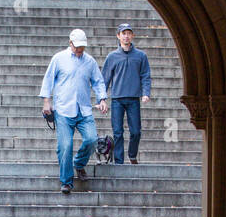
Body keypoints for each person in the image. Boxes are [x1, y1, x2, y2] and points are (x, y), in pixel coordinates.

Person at [40, 29, 108, 194]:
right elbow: (48, 79)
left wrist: (102, 99)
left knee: (92, 139)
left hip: (84, 109)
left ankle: (79, 163)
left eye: (82, 47)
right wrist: (46, 101)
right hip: (63, 109)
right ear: (70, 43)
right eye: (77, 47)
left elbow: (98, 81)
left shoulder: (89, 61)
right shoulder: (59, 58)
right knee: (65, 145)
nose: (80, 50)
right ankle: (66, 181)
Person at [101, 22, 151, 164]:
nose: (126, 36)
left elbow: (145, 75)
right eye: (123, 33)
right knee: (117, 132)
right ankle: (119, 161)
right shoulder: (112, 57)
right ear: (118, 36)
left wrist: (145, 93)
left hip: (133, 98)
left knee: (136, 131)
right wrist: (102, 99)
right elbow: (105, 78)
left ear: (132, 36)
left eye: (129, 33)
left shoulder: (141, 56)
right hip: (117, 99)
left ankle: (132, 154)